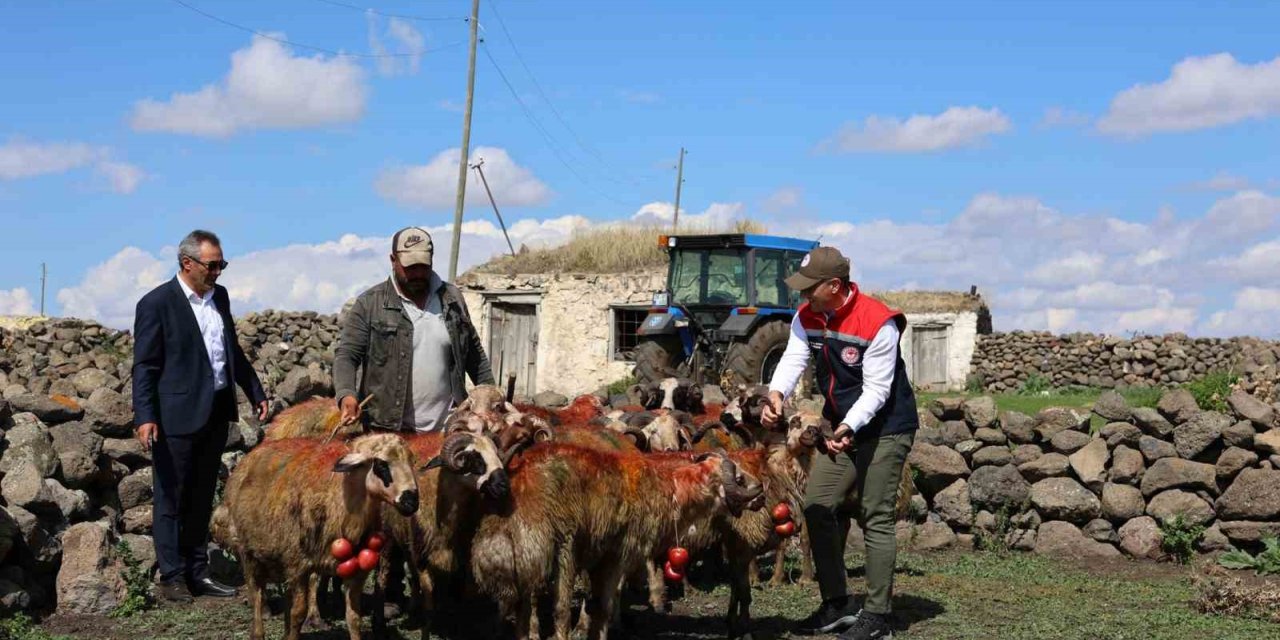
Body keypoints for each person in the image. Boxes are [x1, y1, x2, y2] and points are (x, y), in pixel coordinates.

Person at [762, 246, 918, 640]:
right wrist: (776, 394)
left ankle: (878, 617)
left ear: (834, 285)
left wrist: (847, 427)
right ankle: (837, 604)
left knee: (875, 514)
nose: (802, 296)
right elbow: (794, 357)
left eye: (809, 288)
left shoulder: (877, 322)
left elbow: (878, 390)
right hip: (841, 424)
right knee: (817, 506)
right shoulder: (808, 315)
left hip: (885, 427)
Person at [132, 229, 270, 603]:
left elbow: (230, 351)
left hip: (214, 414)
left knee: (200, 497)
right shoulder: (156, 303)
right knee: (171, 498)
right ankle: (172, 576)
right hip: (174, 417)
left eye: (222, 264)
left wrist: (253, 389)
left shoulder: (219, 297)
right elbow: (144, 366)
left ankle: (198, 572)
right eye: (213, 265)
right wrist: (145, 416)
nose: (218, 271)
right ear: (187, 263)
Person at [333, 226, 495, 431]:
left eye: (423, 266)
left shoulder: (452, 299)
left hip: (450, 429)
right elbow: (347, 355)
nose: (418, 273)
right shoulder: (369, 304)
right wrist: (347, 394)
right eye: (410, 267)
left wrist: (491, 396)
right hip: (388, 430)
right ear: (393, 261)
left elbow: (474, 355)